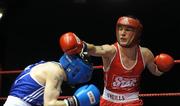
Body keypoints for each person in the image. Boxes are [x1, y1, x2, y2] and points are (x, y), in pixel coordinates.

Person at [59, 16, 174, 106]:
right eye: (120, 29)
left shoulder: (145, 54)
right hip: (109, 100)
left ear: (137, 33)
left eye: (127, 30)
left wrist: (163, 67)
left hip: (132, 101)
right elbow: (96, 49)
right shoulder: (111, 51)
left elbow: (156, 72)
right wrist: (81, 45)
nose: (122, 33)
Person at [3, 53, 100, 106]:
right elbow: (49, 105)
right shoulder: (56, 73)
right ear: (77, 70)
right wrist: (75, 101)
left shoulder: (52, 66)